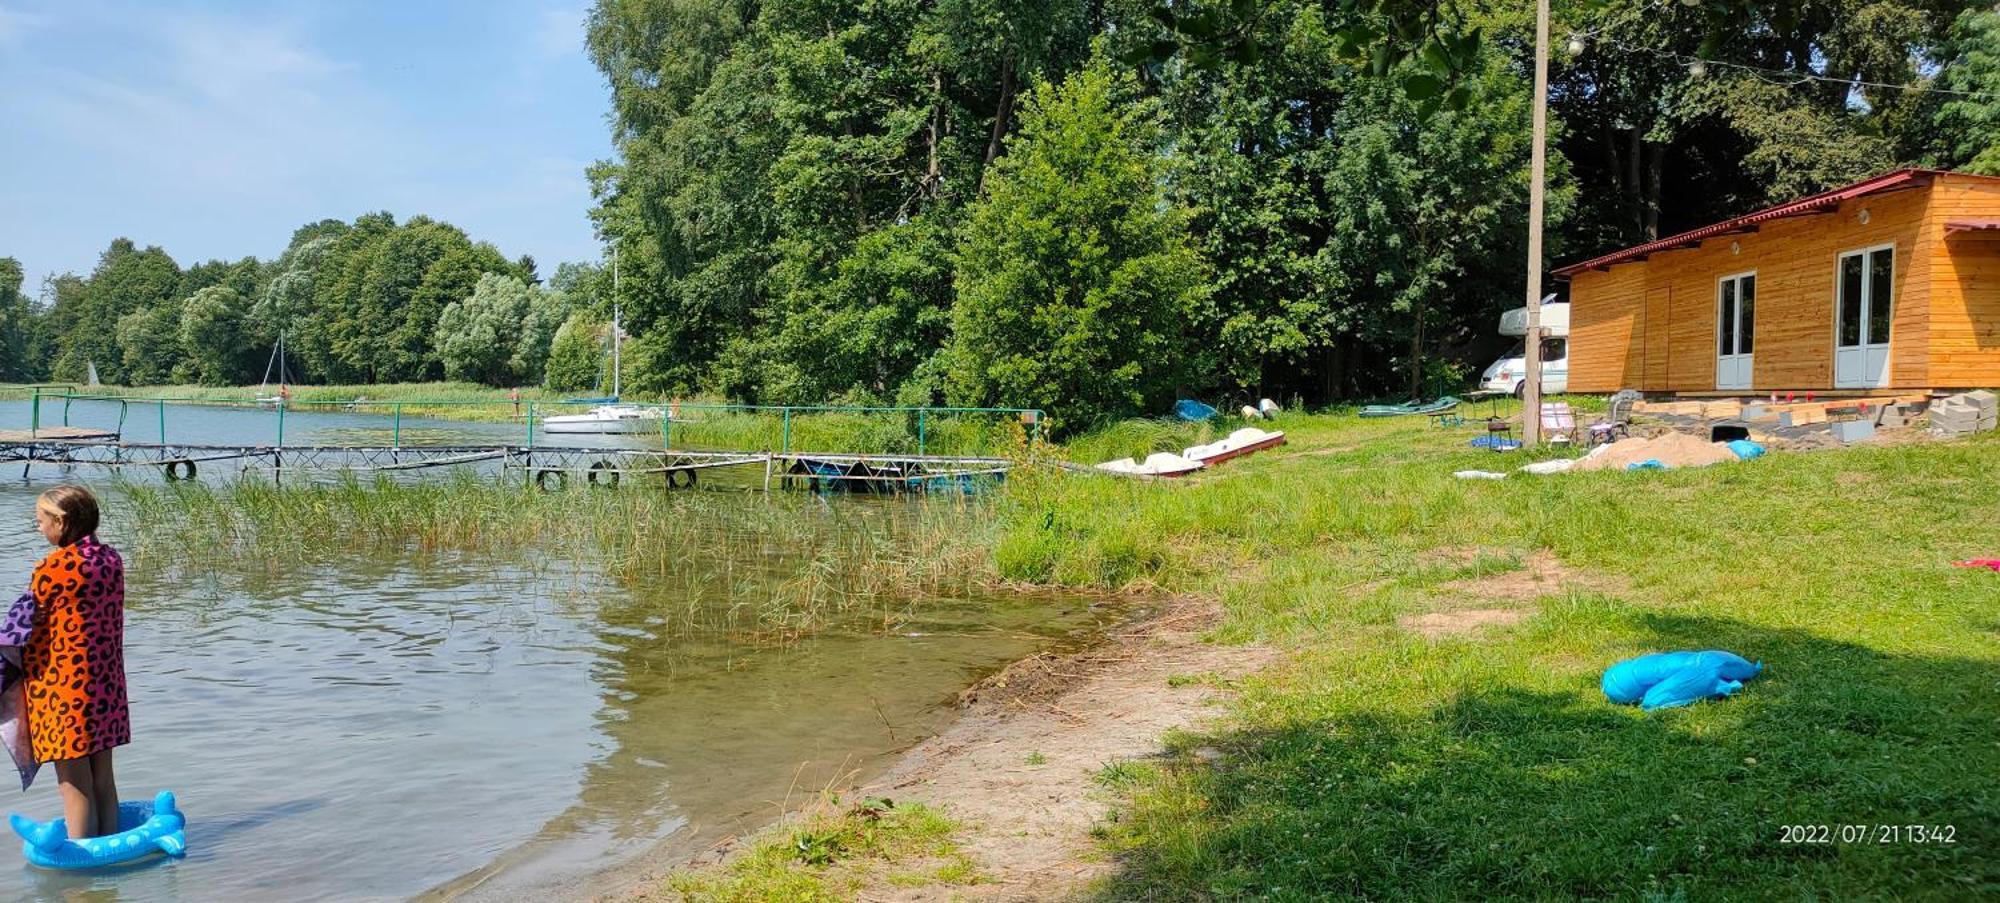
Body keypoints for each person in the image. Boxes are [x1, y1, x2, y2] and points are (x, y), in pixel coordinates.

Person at [25, 486, 127, 839]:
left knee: (73, 782)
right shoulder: (111, 559)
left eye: (41, 521)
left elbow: (22, 628)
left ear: (61, 521)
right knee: (102, 778)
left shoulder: (52, 568)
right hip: (106, 685)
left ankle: (82, 881)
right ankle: (110, 855)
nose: (39, 528)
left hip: (63, 689)